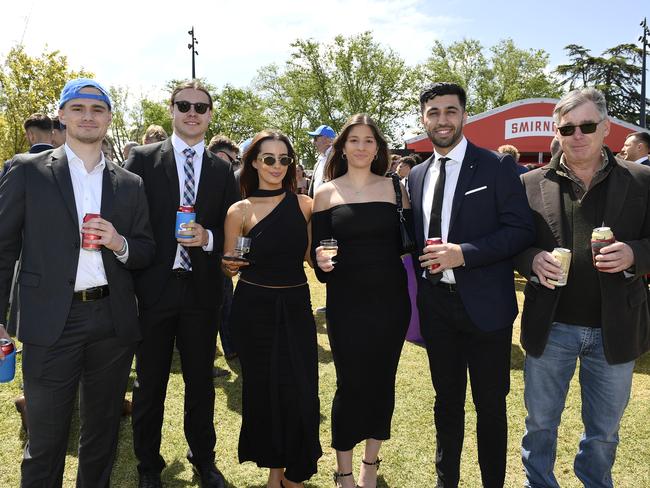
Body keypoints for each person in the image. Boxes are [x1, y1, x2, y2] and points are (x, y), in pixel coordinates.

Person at [0, 77, 155, 487]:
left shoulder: (129, 183)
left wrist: (119, 243)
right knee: (45, 440)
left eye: (98, 109)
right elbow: (3, 247)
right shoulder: (28, 171)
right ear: (63, 115)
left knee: (101, 436)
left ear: (108, 118)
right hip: (50, 321)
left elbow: (145, 250)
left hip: (111, 320)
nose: (88, 116)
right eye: (79, 108)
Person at [514, 87, 650, 488]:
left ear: (606, 128)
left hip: (615, 327)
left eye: (587, 126)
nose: (577, 135)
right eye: (567, 127)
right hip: (551, 326)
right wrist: (529, 259)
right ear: (557, 132)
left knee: (604, 432)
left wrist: (635, 255)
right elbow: (515, 243)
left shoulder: (642, 180)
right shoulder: (530, 183)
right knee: (540, 424)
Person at [407, 82, 535, 488]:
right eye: (434, 112)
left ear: (464, 115)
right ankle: (448, 482)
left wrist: (463, 252)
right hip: (436, 307)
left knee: (491, 406)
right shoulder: (415, 175)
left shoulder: (496, 166)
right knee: (446, 403)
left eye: (450, 111)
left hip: (486, 308)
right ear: (423, 118)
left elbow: (519, 231)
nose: (442, 120)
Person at [125, 80, 238, 488]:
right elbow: (128, 224)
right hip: (152, 291)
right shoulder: (140, 159)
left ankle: (203, 459)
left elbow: (233, 228)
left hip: (202, 292)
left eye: (201, 107)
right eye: (184, 105)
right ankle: (148, 467)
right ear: (171, 110)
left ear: (210, 115)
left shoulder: (223, 169)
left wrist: (208, 238)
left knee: (201, 384)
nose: (192, 112)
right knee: (150, 385)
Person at [312, 113, 410, 488]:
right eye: (354, 140)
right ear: (342, 146)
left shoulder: (395, 190)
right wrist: (320, 262)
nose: (362, 147)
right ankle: (344, 470)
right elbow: (319, 260)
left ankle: (370, 464)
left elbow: (410, 242)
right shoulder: (325, 193)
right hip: (346, 302)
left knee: (383, 380)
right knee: (350, 383)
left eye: (369, 140)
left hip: (390, 301)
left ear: (378, 148)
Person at [221, 130, 322, 488]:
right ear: (253, 163)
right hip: (253, 310)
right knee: (264, 391)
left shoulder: (306, 205)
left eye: (284, 159)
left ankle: (297, 470)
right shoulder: (239, 210)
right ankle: (274, 471)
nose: (277, 166)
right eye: (268, 159)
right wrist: (229, 264)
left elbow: (312, 258)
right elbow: (228, 262)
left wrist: (328, 259)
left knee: (300, 389)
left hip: (295, 306)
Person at [207, 134, 241, 374]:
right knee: (216, 306)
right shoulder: (206, 180)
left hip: (219, 254)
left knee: (224, 303)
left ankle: (231, 348)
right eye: (232, 159)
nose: (235, 164)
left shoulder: (224, 181)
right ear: (220, 156)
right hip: (207, 258)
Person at [307, 124, 335, 198]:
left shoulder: (338, 159)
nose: (313, 142)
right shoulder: (318, 162)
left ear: (326, 139)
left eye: (315, 138)